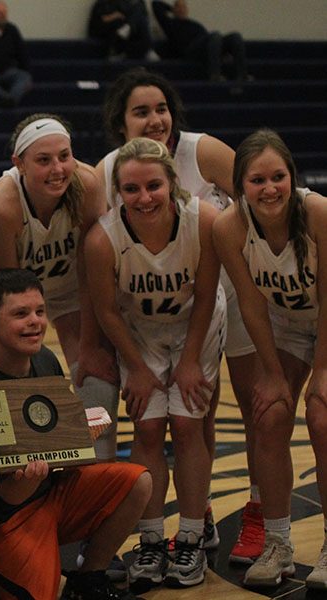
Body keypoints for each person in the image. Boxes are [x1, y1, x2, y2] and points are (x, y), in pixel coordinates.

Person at [96, 67, 259, 562]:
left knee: (223, 414)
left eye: (161, 108)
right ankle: (186, 521)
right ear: (121, 123)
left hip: (215, 296)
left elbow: (255, 199)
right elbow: (100, 269)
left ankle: (228, 517)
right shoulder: (108, 176)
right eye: (141, 111)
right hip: (147, 314)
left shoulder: (201, 153)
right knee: (165, 423)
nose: (155, 119)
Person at [0, 267, 151, 600]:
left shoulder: (45, 359)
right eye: (21, 314)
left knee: (138, 482)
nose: (35, 321)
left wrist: (77, 441)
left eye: (40, 311)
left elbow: (59, 448)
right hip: (3, 519)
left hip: (49, 495)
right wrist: (40, 466)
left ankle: (89, 577)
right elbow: (9, 497)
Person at [86, 137, 225, 590]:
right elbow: (106, 310)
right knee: (146, 426)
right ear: (117, 191)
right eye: (131, 189)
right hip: (139, 331)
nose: (143, 198)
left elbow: (206, 295)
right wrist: (138, 368)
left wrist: (189, 361)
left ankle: (190, 535)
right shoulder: (103, 238)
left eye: (153, 186)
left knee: (187, 425)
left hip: (194, 326)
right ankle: (150, 541)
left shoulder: (203, 220)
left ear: (172, 184)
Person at [212, 129, 327, 590]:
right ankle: (278, 543)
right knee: (270, 413)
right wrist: (275, 376)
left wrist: (321, 373)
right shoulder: (229, 226)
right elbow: (252, 306)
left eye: (278, 176)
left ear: (292, 176)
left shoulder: (317, 212)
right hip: (286, 324)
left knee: (321, 418)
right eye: (257, 180)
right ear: (240, 186)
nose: (269, 188)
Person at [0, 114, 120, 465]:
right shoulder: (1, 203)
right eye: (43, 160)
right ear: (19, 164)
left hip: (70, 279)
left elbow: (89, 271)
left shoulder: (87, 184)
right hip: (10, 283)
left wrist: (88, 344)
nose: (57, 169)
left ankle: (96, 468)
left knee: (97, 366)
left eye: (64, 156)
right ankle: (4, 470)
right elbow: (11, 294)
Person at [152, 0, 247, 82]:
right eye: (178, 7)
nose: (181, 9)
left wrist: (223, 52)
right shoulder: (170, 24)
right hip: (189, 51)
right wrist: (171, 8)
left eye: (183, 7)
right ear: (174, 9)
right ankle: (215, 75)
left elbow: (209, 40)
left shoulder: (195, 25)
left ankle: (242, 76)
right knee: (215, 35)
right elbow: (156, 4)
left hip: (203, 49)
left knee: (235, 36)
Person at [88, 0, 159, 61]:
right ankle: (147, 49)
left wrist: (129, 24)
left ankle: (128, 28)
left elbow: (129, 16)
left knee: (140, 16)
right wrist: (114, 16)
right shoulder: (102, 3)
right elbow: (101, 20)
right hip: (105, 31)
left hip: (123, 33)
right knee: (127, 22)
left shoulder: (121, 3)